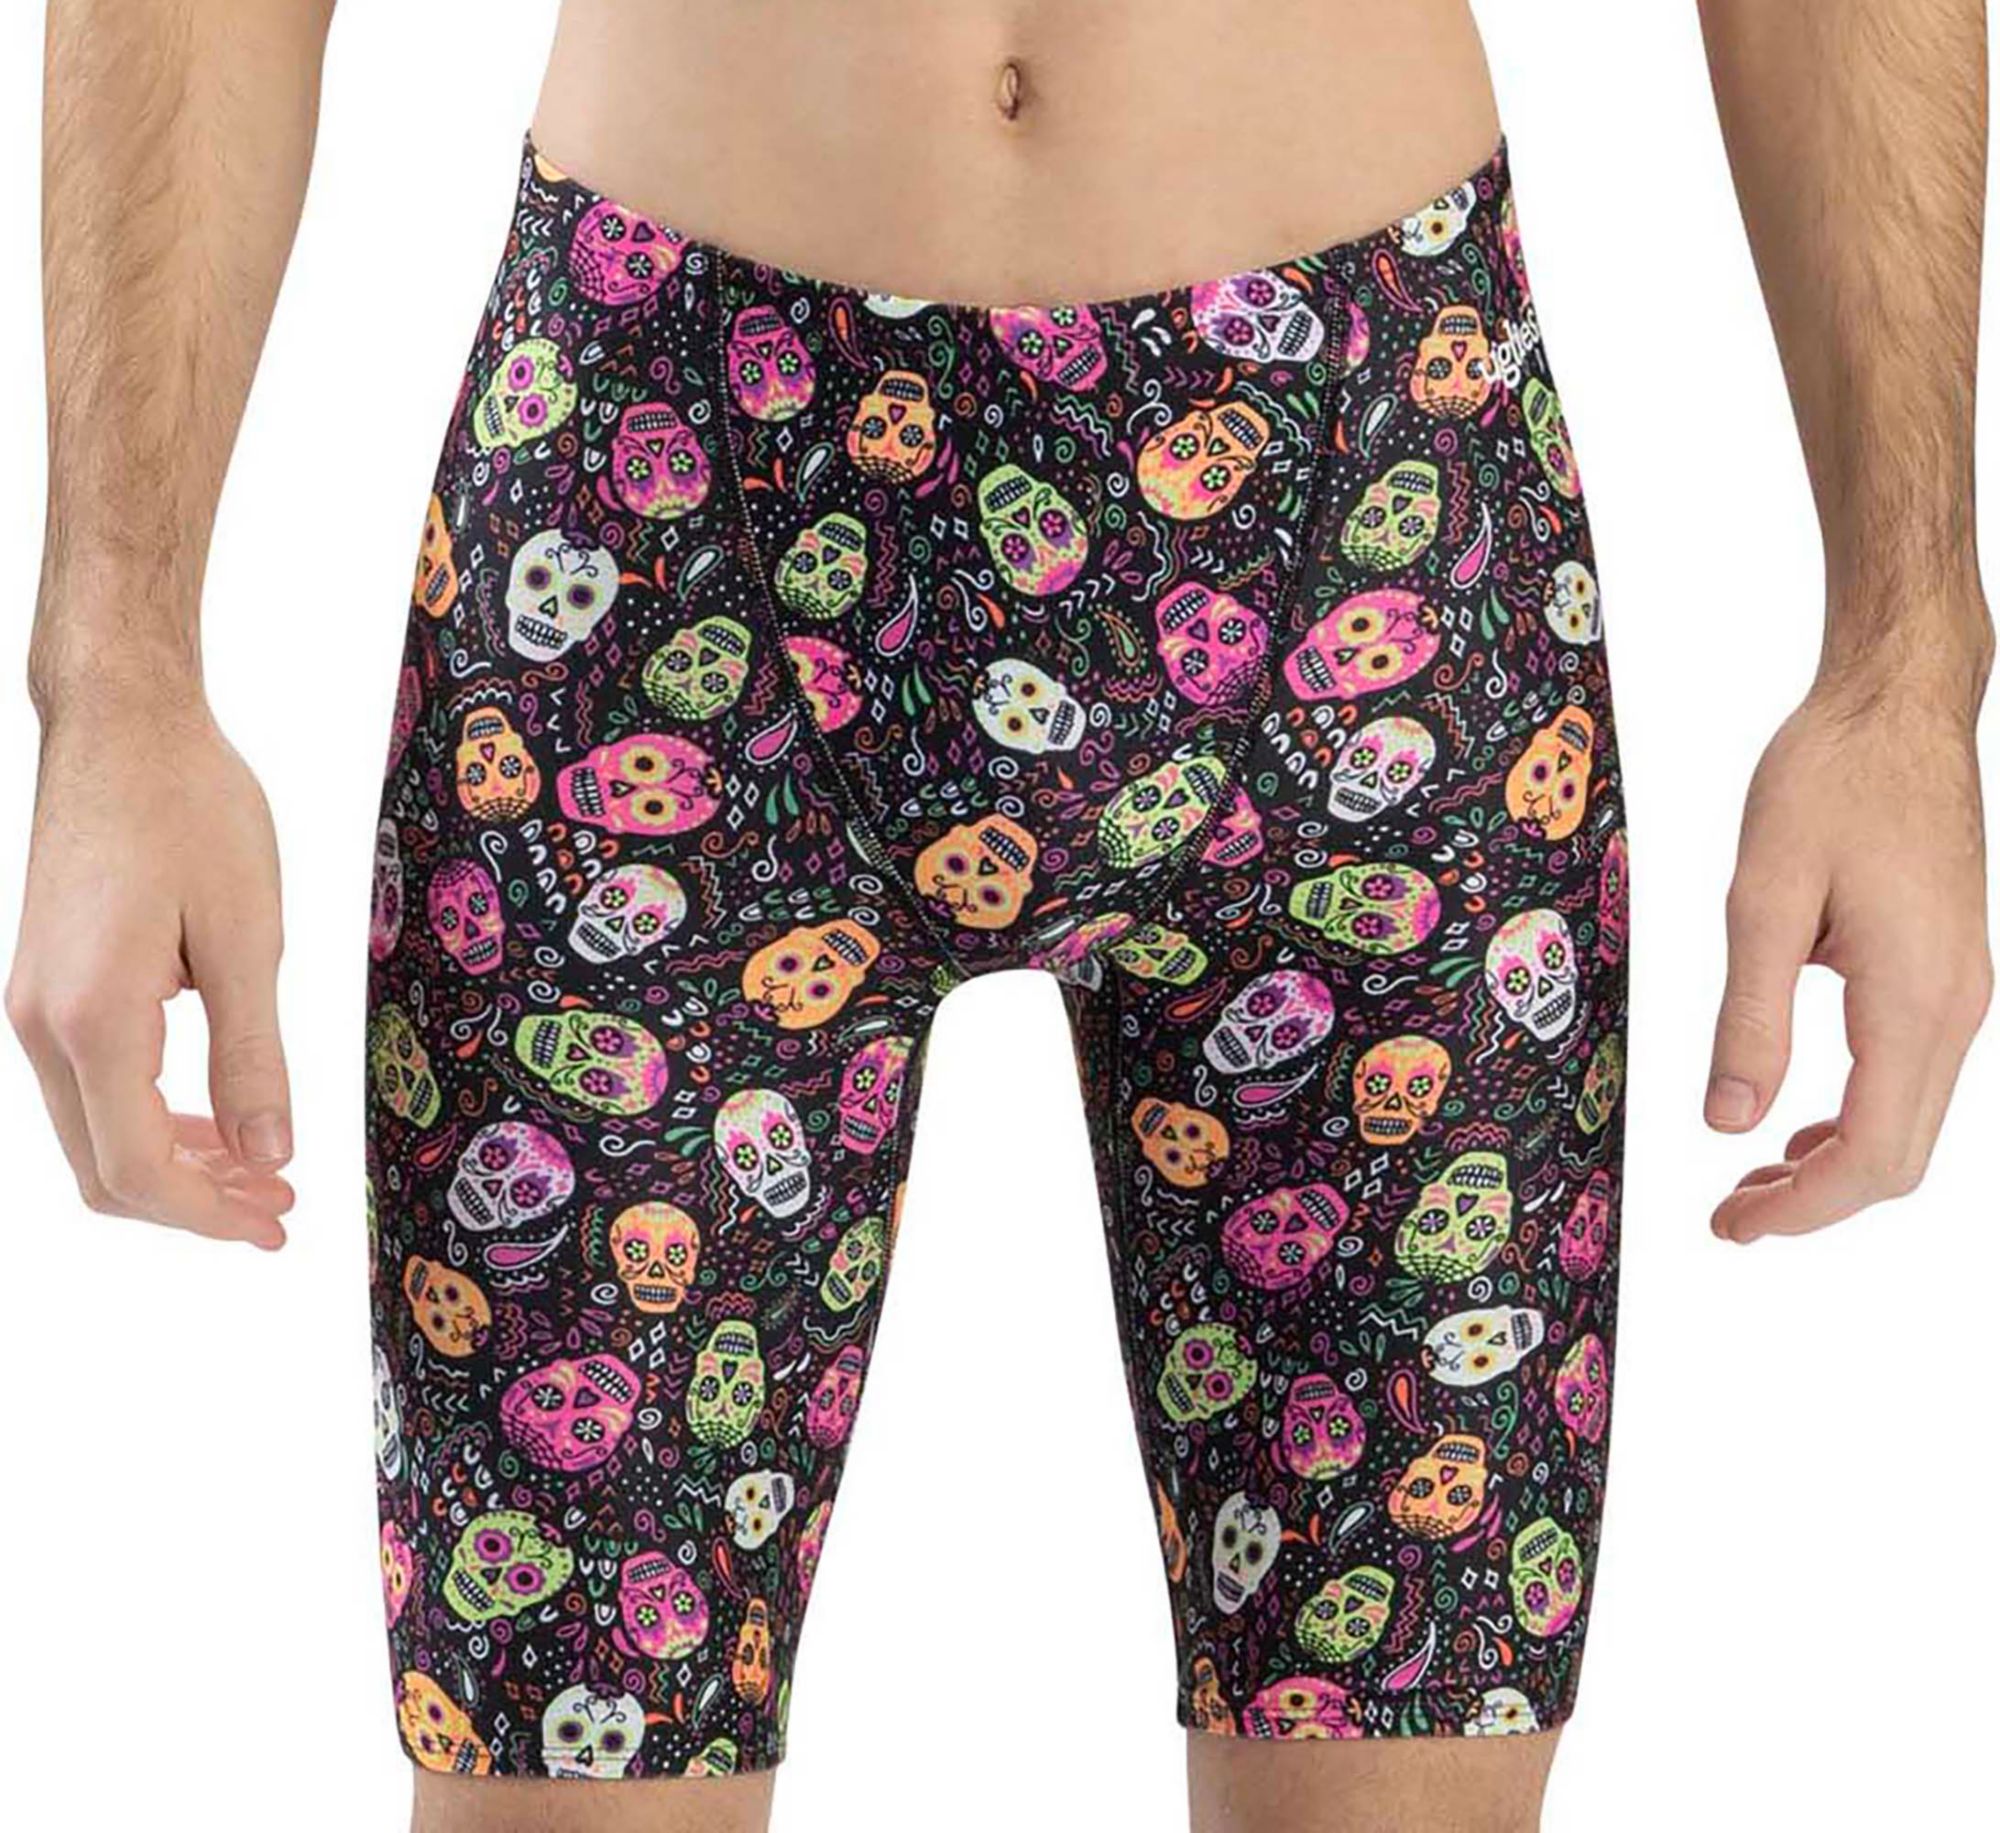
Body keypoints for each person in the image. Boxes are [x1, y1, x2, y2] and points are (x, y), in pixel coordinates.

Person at [9, 2, 1991, 1830]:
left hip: (1374, 510)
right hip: (658, 503)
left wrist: (1908, 668)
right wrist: (114, 678)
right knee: (564, 1769)